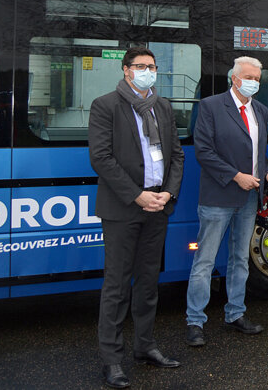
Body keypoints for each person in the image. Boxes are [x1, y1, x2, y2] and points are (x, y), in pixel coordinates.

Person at [89, 46, 184, 389]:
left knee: (147, 284)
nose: (148, 71)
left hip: (158, 206)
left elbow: (176, 154)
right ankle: (112, 360)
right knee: (116, 286)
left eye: (152, 66)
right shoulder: (106, 105)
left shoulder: (162, 106)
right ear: (126, 71)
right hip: (123, 209)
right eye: (141, 66)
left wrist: (167, 193)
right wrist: (136, 195)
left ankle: (145, 346)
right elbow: (101, 158)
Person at [185, 56, 268, 346]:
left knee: (240, 261)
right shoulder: (211, 106)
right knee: (205, 261)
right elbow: (204, 151)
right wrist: (235, 176)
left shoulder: (260, 109)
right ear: (235, 78)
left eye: (258, 78)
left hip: (249, 197)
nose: (254, 82)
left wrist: (267, 174)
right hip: (219, 195)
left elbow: (258, 156)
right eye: (250, 77)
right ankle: (195, 321)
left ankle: (235, 314)